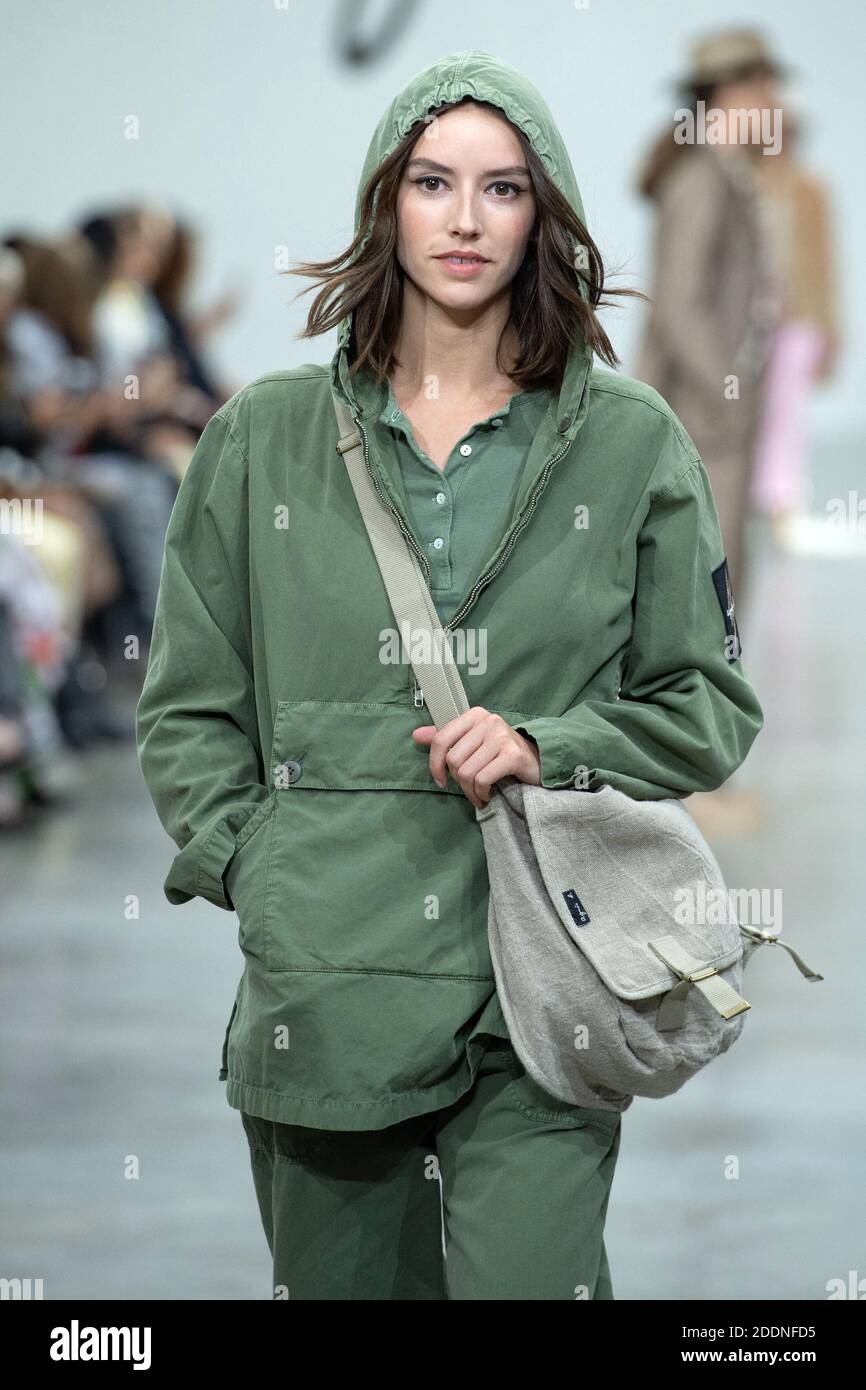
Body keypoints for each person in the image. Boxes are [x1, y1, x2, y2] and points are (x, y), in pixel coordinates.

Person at [135, 51, 764, 1301]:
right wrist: (258, 866)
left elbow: (706, 706)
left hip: (538, 982)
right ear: (386, 204)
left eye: (501, 188)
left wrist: (548, 741)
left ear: (546, 215)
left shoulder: (628, 442)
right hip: (326, 984)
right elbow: (188, 706)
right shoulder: (263, 438)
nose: (465, 219)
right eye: (432, 183)